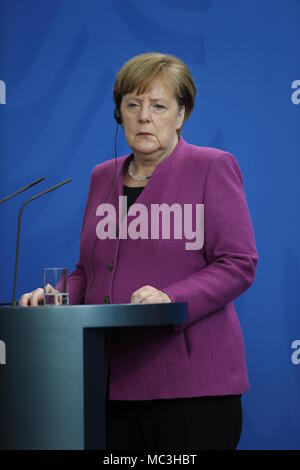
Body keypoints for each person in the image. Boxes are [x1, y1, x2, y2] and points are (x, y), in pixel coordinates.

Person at [19, 52, 258, 450]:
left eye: (158, 106)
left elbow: (238, 263)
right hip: (109, 385)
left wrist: (171, 297)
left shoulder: (212, 167)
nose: (144, 116)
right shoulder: (102, 177)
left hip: (191, 388)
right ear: (120, 115)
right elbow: (88, 270)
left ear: (181, 114)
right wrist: (56, 296)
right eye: (133, 105)